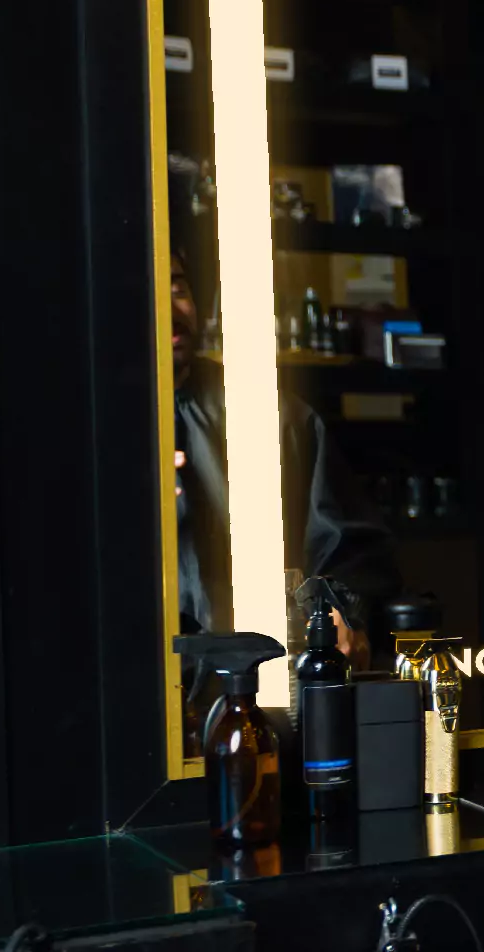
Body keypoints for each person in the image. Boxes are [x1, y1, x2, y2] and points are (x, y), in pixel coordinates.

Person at [170, 248, 395, 699]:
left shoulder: (267, 412)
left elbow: (345, 541)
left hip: (257, 691)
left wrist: (337, 609)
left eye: (178, 285)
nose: (173, 306)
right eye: (149, 289)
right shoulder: (86, 430)